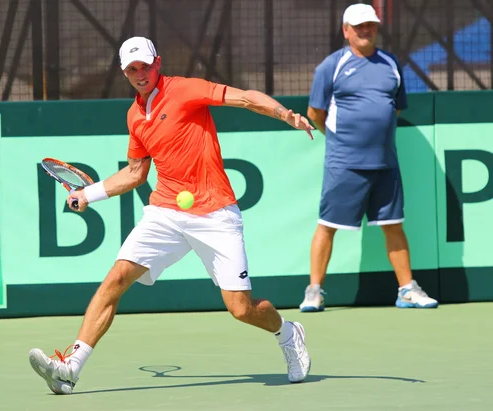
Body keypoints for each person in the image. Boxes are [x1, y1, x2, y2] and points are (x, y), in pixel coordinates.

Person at [29, 36, 315, 394]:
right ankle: (69, 369)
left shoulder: (185, 90)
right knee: (115, 279)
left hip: (216, 212)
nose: (140, 74)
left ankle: (287, 332)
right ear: (124, 72)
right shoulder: (135, 116)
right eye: (132, 69)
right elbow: (136, 173)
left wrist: (285, 115)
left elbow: (244, 97)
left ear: (157, 63)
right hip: (166, 211)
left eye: (145, 66)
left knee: (242, 309)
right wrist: (88, 193)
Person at [299, 3, 438, 312]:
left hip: (386, 163)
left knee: (394, 226)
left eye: (371, 25)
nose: (366, 30)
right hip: (344, 164)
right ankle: (314, 291)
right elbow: (315, 114)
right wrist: (341, 142)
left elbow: (395, 107)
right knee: (327, 225)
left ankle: (407, 290)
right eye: (359, 26)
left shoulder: (390, 63)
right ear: (346, 30)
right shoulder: (331, 66)